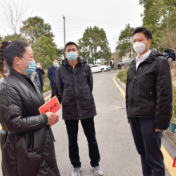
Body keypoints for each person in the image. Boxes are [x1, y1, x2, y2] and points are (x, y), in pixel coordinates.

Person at [0, 40, 60, 176]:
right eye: (31, 56)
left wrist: (47, 114)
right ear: (18, 60)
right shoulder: (7, 86)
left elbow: (33, 109)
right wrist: (44, 118)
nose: (34, 60)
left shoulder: (26, 79)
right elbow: (13, 123)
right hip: (26, 156)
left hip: (38, 148)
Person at [126, 27, 172, 176]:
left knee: (154, 159)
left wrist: (161, 122)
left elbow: (164, 94)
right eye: (134, 41)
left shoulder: (159, 62)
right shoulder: (133, 64)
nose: (137, 43)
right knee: (143, 154)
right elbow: (129, 91)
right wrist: (129, 115)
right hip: (135, 117)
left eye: (140, 40)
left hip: (150, 119)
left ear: (148, 42)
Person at [56, 42, 103, 176]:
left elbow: (90, 86)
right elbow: (60, 89)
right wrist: (67, 100)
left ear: (78, 52)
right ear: (65, 53)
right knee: (72, 141)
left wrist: (84, 97)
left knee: (91, 138)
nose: (71, 52)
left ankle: (95, 163)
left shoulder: (86, 67)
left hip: (86, 108)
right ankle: (76, 165)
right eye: (68, 50)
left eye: (73, 49)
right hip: (69, 109)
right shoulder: (60, 69)